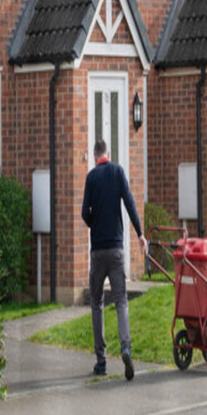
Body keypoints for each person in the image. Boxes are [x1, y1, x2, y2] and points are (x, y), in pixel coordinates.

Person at [81, 140, 148, 381]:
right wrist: (140, 235)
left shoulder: (91, 178)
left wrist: (94, 224)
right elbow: (129, 204)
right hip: (118, 250)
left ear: (95, 156)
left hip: (98, 251)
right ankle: (126, 347)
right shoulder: (118, 172)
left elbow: (83, 213)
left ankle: (101, 361)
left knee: (97, 302)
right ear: (108, 154)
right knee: (121, 301)